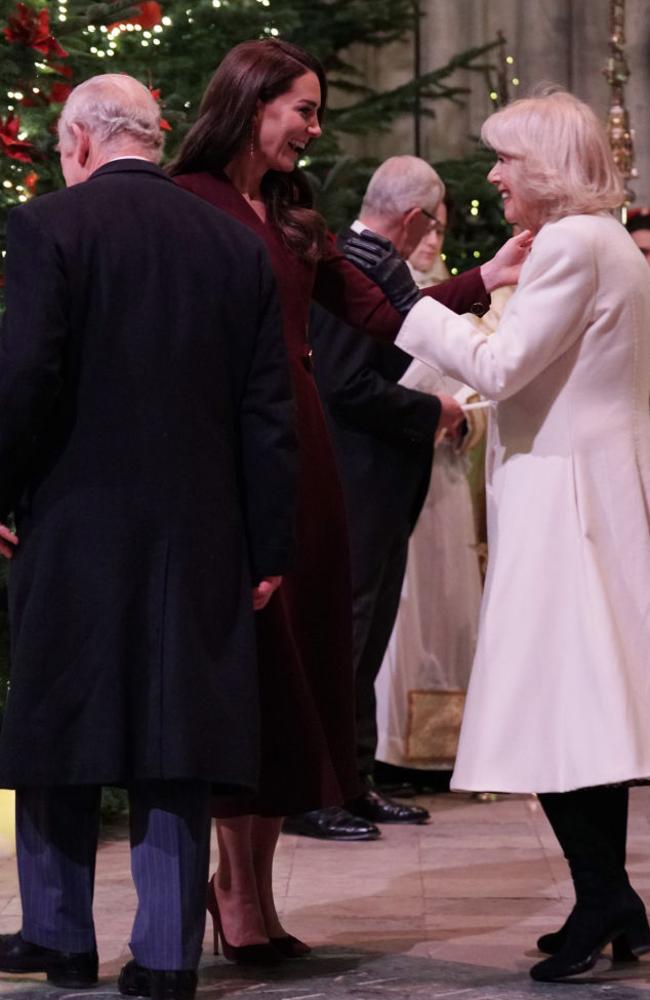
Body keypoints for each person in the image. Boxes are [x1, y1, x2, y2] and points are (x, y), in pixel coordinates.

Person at [169, 38, 527, 957]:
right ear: (252, 106)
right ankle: (235, 896)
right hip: (225, 454)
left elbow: (377, 311)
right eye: (304, 109)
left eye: (318, 110)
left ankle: (251, 900)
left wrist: (485, 280)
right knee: (250, 671)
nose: (315, 128)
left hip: (306, 459)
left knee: (300, 673)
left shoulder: (293, 213)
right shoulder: (188, 205)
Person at [0, 74, 297, 1000]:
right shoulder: (233, 242)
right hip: (201, 531)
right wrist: (269, 545)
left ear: (83, 141)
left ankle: (59, 935)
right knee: (179, 731)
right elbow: (268, 410)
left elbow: (27, 378)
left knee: (57, 719)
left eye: (60, 149)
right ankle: (166, 956)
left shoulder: (51, 227)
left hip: (74, 517)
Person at [373, 88, 650, 982]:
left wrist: (405, 305)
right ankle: (610, 899)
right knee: (581, 707)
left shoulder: (573, 242)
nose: (491, 176)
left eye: (504, 161)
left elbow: (499, 362)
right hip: (586, 487)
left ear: (545, 171)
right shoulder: (606, 242)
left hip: (564, 498)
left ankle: (605, 896)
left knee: (558, 704)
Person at [296, 157, 467, 842]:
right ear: (417, 219)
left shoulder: (370, 260)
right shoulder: (353, 264)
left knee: (363, 639)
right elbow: (342, 384)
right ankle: (316, 790)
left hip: (378, 479)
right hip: (353, 476)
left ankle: (354, 781)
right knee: (345, 633)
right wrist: (432, 411)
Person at [374, 197, 485, 784]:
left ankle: (443, 755)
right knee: (403, 613)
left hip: (443, 476)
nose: (431, 238)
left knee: (446, 608)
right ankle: (388, 749)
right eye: (427, 225)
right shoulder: (384, 298)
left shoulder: (459, 302)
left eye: (441, 227)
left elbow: (487, 390)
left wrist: (463, 418)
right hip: (397, 470)